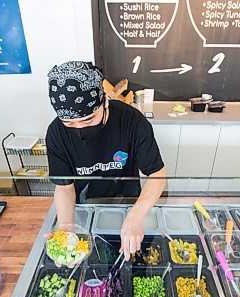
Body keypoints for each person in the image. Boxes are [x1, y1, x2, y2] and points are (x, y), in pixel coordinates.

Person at [45, 61, 166, 260]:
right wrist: (66, 228)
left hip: (129, 203)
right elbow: (64, 186)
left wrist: (136, 216)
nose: (78, 128)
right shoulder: (56, 133)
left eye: (88, 120)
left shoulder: (131, 121)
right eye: (69, 122)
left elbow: (156, 174)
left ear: (105, 101)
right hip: (87, 206)